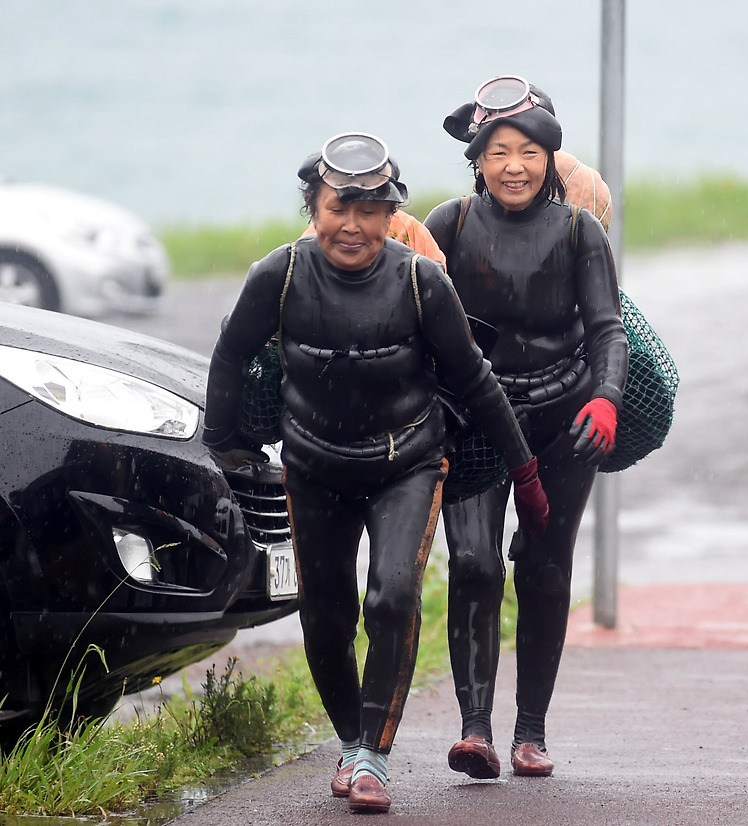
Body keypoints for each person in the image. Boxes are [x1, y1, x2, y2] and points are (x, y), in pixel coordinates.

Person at [202, 132, 549, 813]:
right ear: (314, 208)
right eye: (339, 208)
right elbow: (229, 355)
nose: (353, 226)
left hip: (407, 463)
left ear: (392, 214)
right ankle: (350, 740)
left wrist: (526, 474)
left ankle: (372, 757)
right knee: (325, 615)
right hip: (313, 465)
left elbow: (475, 381)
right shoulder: (279, 275)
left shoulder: (421, 282)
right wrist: (223, 451)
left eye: (370, 211)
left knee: (391, 596)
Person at [423, 75, 627, 779]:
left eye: (529, 152)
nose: (515, 167)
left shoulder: (579, 230)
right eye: (499, 152)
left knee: (543, 569)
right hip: (476, 420)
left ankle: (530, 731)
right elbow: (416, 324)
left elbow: (608, 329)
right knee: (475, 564)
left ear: (550, 157)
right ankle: (474, 730)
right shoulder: (448, 226)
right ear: (477, 158)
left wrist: (605, 398)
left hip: (563, 419)